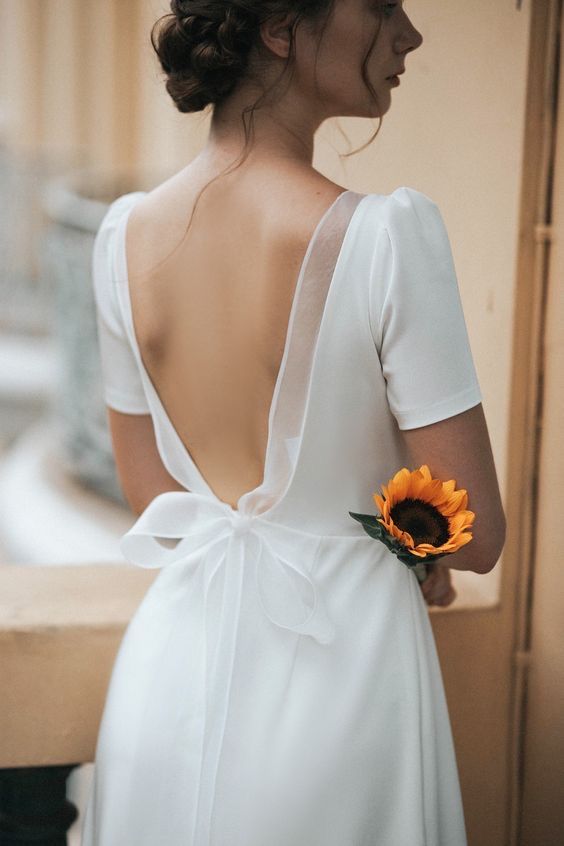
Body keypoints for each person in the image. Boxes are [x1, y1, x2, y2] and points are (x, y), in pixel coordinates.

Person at [82, 1, 507, 843]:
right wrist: (399, 549)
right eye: (381, 5)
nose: (408, 33)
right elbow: (475, 533)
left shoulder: (120, 236)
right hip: (341, 684)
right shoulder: (387, 237)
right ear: (280, 28)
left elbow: (150, 493)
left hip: (171, 678)